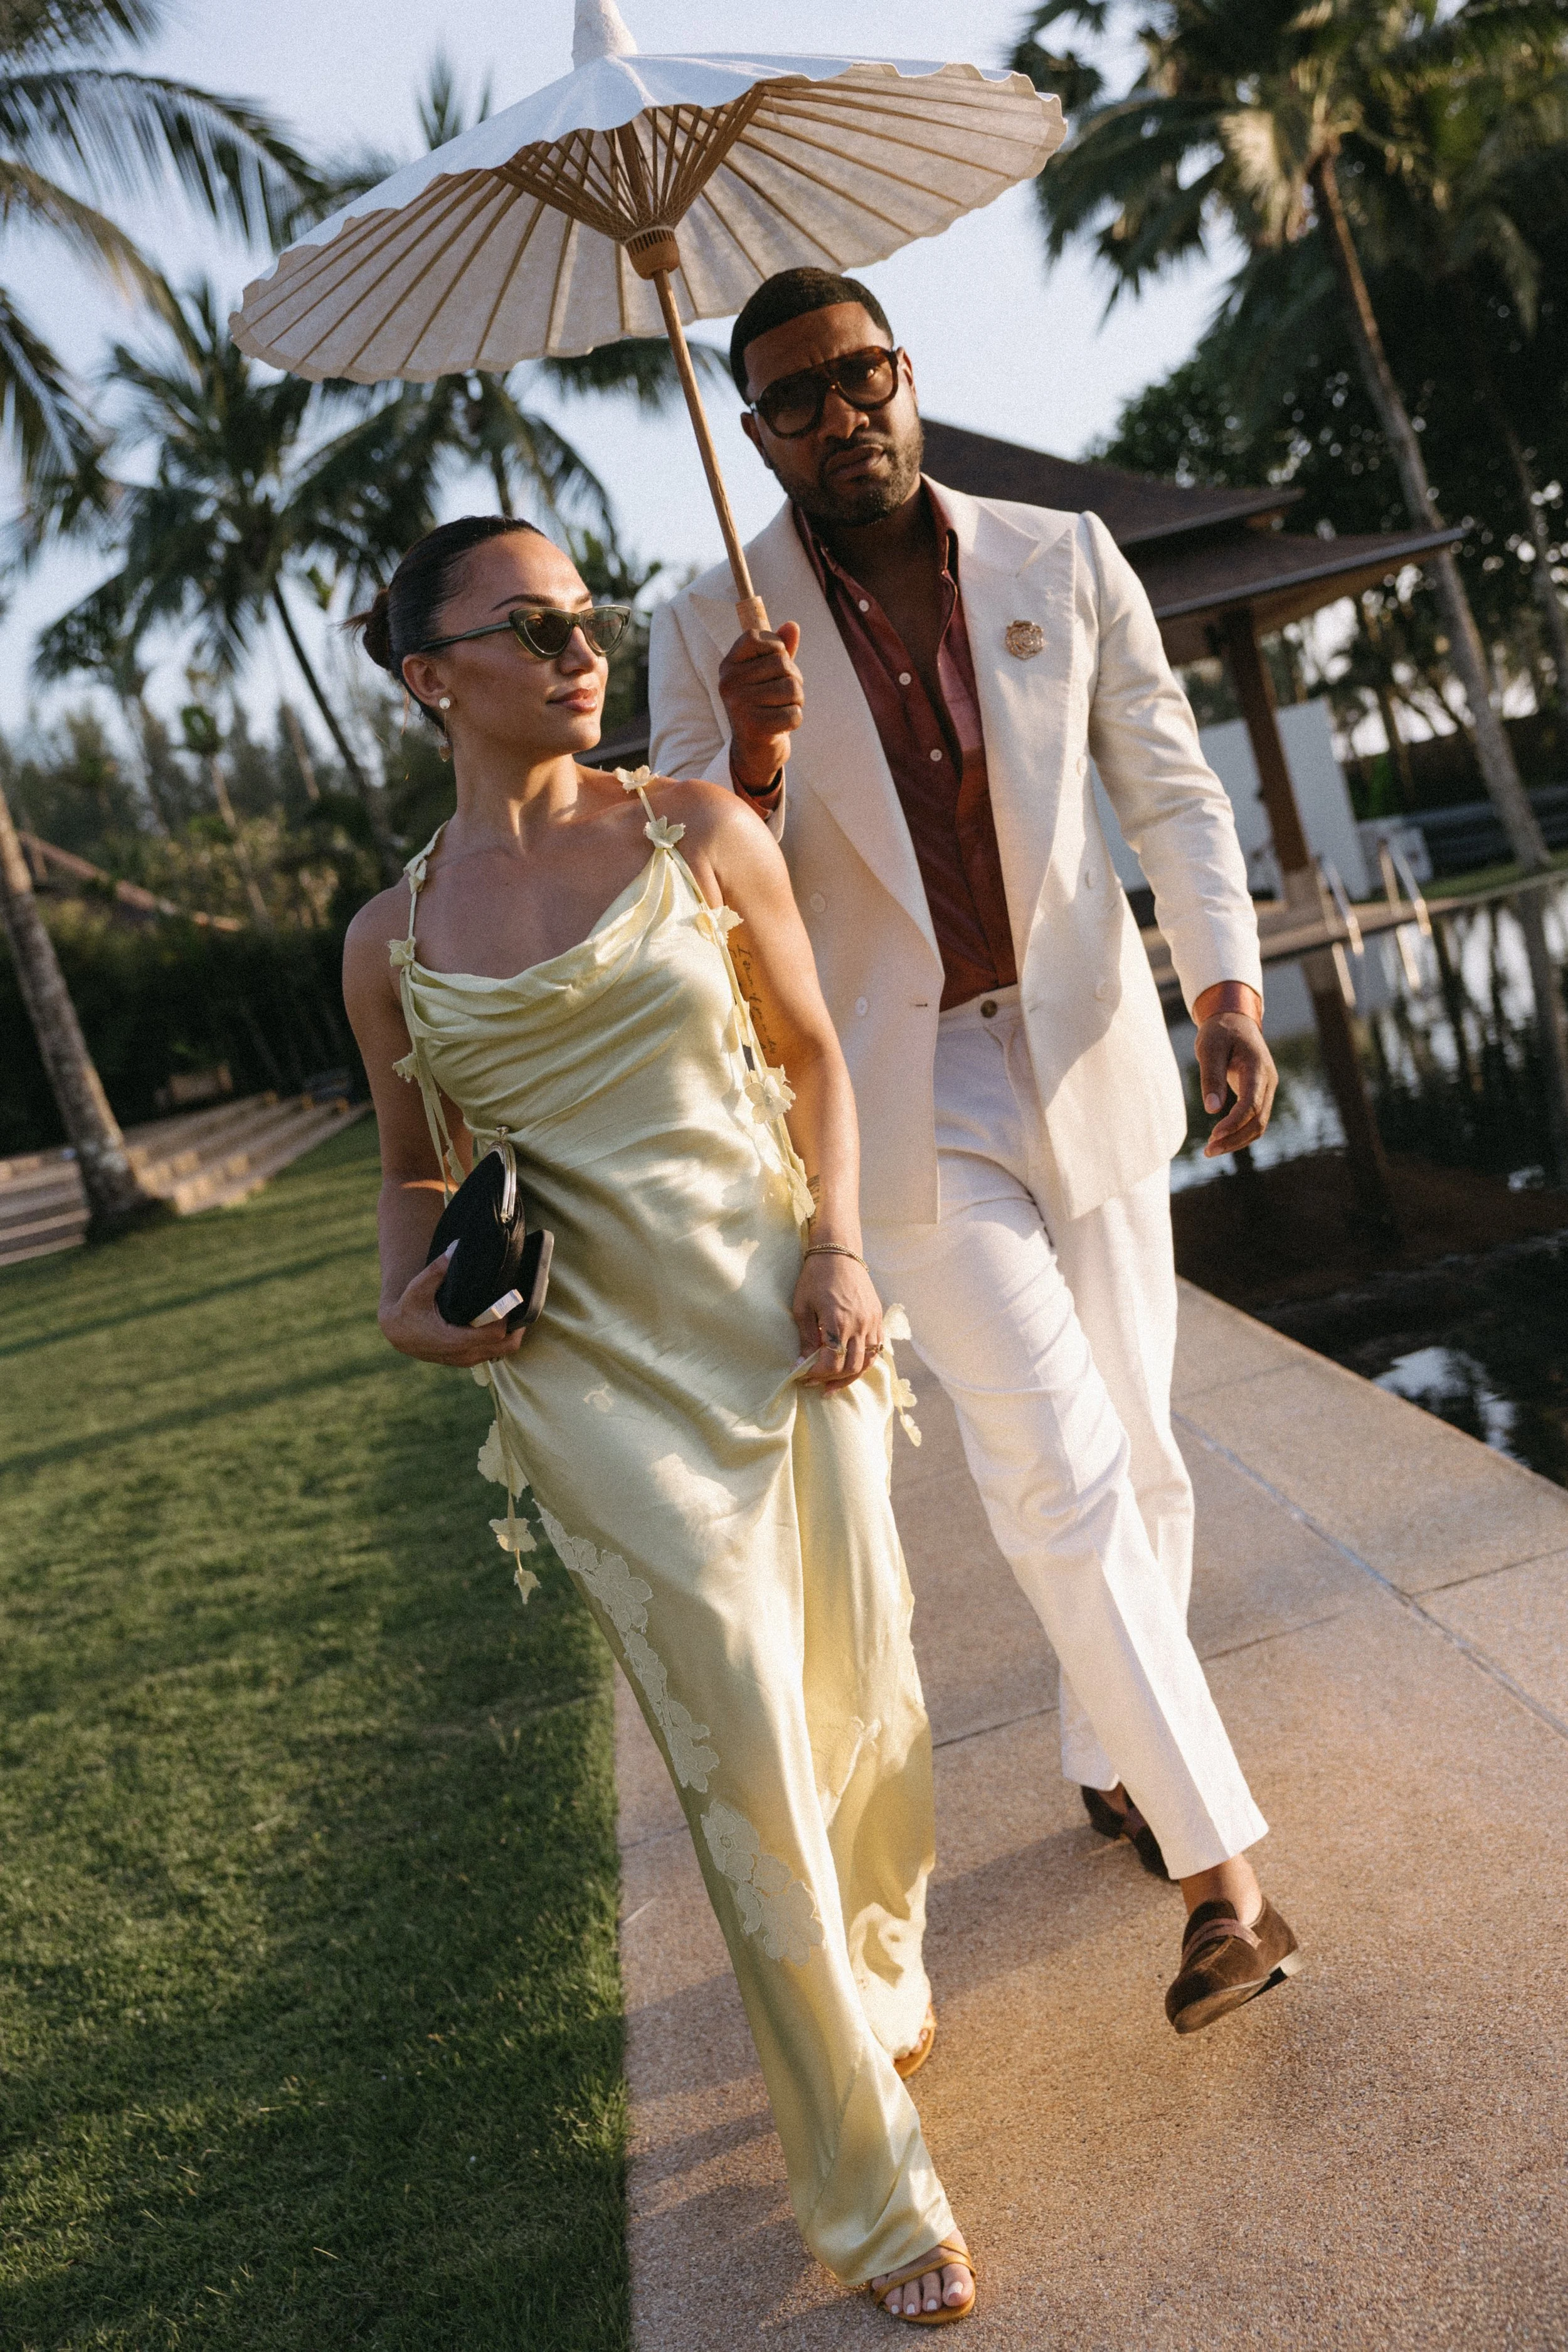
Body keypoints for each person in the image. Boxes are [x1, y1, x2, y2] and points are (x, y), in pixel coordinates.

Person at [649, 269, 1302, 2032]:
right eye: (795, 398)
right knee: (1057, 1472)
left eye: (862, 374)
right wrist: (757, 763)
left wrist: (1222, 992)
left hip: (1086, 1052)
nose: (841, 413)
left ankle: (1111, 1752)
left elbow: (1165, 787)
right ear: (753, 431)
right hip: (899, 1094)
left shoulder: (1059, 554)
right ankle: (1222, 1881)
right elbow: (696, 911)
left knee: (1144, 1461)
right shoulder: (705, 624)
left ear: (904, 375)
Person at [341, 515, 975, 2325]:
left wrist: (840, 1247)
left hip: (785, 1325)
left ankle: (877, 1969)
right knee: (742, 1753)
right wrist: (407, 1310)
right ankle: (866, 2191)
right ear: (428, 674)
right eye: (526, 625)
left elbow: (814, 1057)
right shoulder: (389, 941)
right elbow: (411, 1175)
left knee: (870, 1712)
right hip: (588, 1385)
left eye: (584, 615)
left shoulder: (701, 829)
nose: (576, 645)